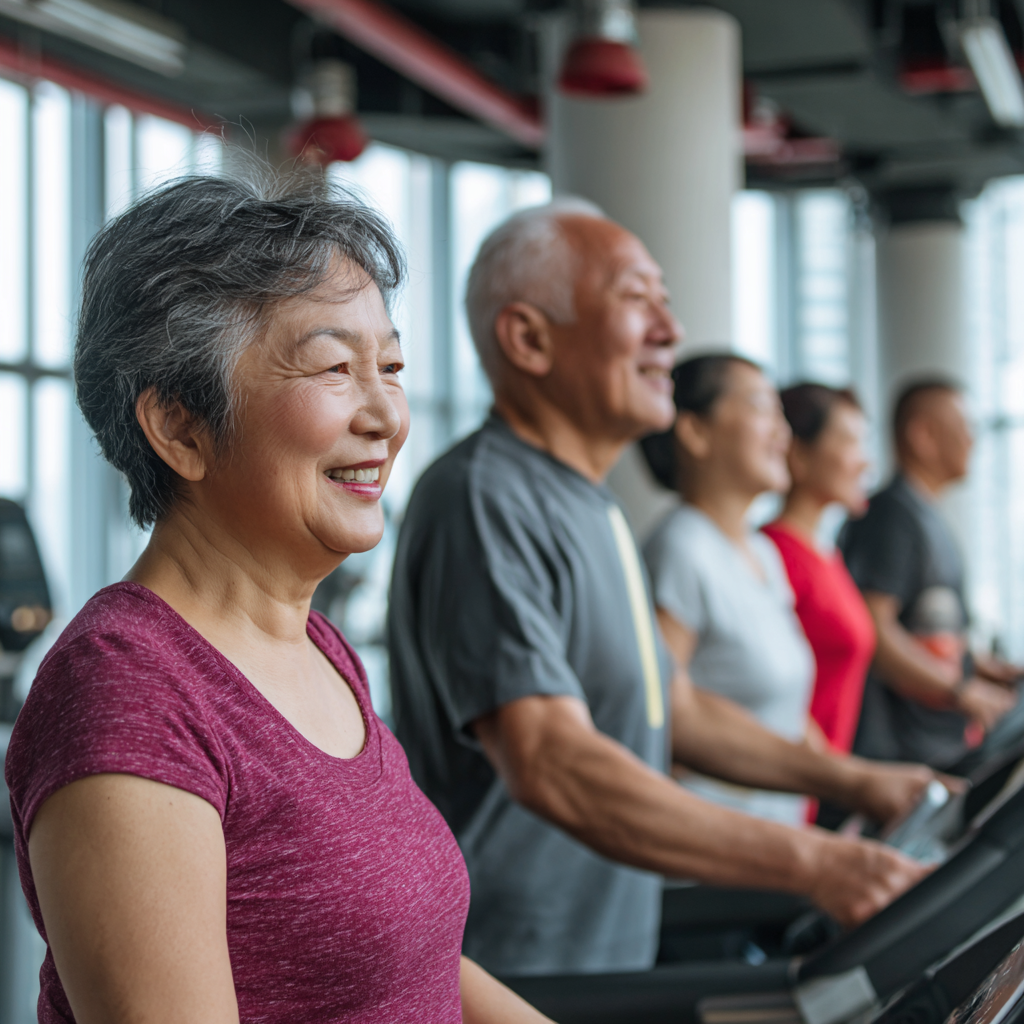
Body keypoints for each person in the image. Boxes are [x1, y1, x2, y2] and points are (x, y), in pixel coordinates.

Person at [4, 173, 551, 1024]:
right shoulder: (128, 697)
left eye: (393, 366)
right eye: (336, 367)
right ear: (180, 426)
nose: (387, 415)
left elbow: (413, 968)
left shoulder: (316, 648)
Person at [388, 200, 935, 979]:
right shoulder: (485, 496)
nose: (671, 334)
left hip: (604, 950)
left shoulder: (594, 502)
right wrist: (817, 864)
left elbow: (667, 705)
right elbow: (549, 758)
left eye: (666, 303)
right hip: (515, 970)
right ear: (528, 338)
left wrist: (857, 781)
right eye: (636, 298)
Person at [641, 360, 902, 828]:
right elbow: (662, 722)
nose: (782, 432)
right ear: (696, 432)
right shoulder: (679, 549)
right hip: (716, 853)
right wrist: (852, 782)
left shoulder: (761, 552)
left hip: (782, 833)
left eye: (782, 414)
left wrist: (857, 783)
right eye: (761, 407)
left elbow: (790, 717)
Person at [840, 378, 1019, 768]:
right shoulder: (891, 516)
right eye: (965, 428)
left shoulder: (926, 516)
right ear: (924, 435)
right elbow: (875, 628)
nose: (974, 441)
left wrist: (989, 672)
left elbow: (929, 633)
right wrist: (961, 690)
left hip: (939, 741)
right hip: (902, 751)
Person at [762, 383, 876, 756]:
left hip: (822, 783)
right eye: (849, 442)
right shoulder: (774, 555)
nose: (865, 461)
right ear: (798, 454)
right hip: (790, 776)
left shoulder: (825, 554)